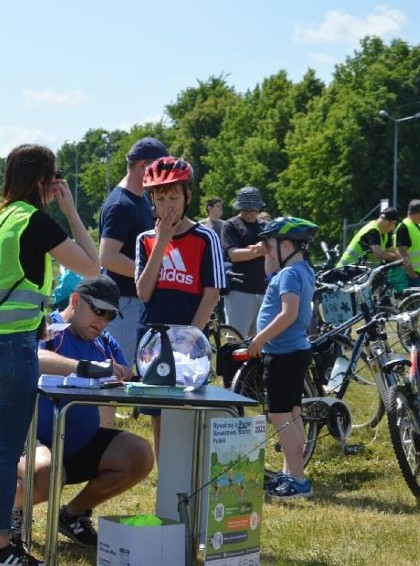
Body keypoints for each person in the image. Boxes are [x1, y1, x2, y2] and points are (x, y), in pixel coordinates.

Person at [0, 143, 99, 566]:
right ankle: (0, 548)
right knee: (6, 450)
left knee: (3, 447)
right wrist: (71, 210)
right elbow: (93, 266)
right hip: (13, 349)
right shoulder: (33, 221)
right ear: (44, 181)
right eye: (54, 177)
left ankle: (2, 542)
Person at [11, 275, 154, 548]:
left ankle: (72, 514)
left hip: (81, 442)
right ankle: (10, 509)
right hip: (35, 441)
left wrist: (124, 373)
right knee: (46, 472)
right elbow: (34, 357)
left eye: (110, 315)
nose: (103, 321)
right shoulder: (48, 327)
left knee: (140, 454)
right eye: (99, 311)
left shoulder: (104, 340)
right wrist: (81, 367)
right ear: (76, 300)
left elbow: (124, 372)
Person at [135, 156, 226, 458]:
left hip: (190, 337)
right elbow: (144, 293)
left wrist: (189, 339)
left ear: (188, 196)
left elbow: (212, 293)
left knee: (190, 413)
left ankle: (190, 480)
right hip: (153, 338)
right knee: (159, 417)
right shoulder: (145, 240)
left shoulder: (205, 237)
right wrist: (162, 243)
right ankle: (166, 487)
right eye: (160, 198)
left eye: (174, 196)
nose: (167, 204)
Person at [247, 216, 319, 499]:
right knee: (292, 414)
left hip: (282, 353)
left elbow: (288, 313)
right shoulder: (302, 270)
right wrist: (269, 252)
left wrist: (259, 339)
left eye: (270, 244)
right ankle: (291, 472)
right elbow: (270, 275)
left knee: (280, 417)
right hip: (296, 351)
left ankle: (298, 481)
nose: (266, 249)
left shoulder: (289, 275)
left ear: (286, 244)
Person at [98, 136, 168, 427]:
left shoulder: (140, 199)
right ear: (143, 166)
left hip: (136, 301)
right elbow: (108, 256)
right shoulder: (121, 204)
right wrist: (149, 275)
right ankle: (104, 442)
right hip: (124, 304)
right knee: (115, 378)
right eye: (159, 168)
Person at [221, 186, 269, 337]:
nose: (249, 213)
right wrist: (259, 250)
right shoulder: (231, 225)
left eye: (253, 209)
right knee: (236, 338)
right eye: (245, 209)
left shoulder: (264, 227)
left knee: (259, 339)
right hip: (239, 289)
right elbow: (234, 254)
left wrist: (252, 250)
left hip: (262, 289)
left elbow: (272, 252)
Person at [337, 208, 401, 266]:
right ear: (390, 222)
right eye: (395, 224)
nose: (394, 227)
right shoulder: (372, 230)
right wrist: (398, 258)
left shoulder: (385, 234)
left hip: (358, 272)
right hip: (346, 270)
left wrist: (401, 258)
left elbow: (391, 251)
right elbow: (380, 254)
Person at [394, 199, 420, 288]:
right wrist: (412, 274)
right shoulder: (404, 227)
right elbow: (402, 253)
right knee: (417, 301)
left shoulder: (419, 226)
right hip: (417, 276)